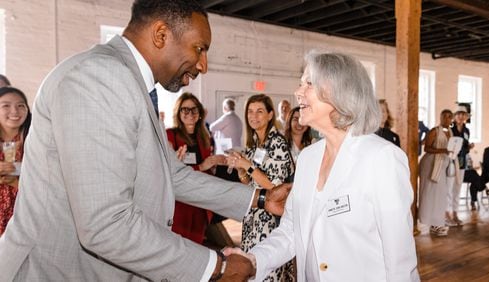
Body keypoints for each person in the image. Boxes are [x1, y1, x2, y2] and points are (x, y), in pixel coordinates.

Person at [0, 1, 291, 281]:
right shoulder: (100, 77)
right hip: (56, 271)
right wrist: (214, 268)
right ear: (161, 34)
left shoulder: (127, 81)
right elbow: (106, 224)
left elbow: (170, 174)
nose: (203, 65)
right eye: (199, 48)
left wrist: (261, 198)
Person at [225, 52, 419, 281]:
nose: (298, 92)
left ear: (340, 91)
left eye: (309, 83)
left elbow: (399, 261)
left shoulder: (381, 158)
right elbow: (291, 230)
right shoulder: (308, 158)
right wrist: (254, 260)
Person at [226, 94, 295, 281]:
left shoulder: (278, 143)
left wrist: (247, 165)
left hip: (271, 219)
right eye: (250, 111)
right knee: (253, 269)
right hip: (253, 216)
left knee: (268, 272)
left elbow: (275, 187)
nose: (253, 116)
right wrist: (240, 169)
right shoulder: (255, 143)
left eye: (259, 111)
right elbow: (250, 182)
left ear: (271, 115)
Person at [166, 92, 226, 244]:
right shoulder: (169, 135)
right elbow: (169, 171)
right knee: (177, 245)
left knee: (196, 244)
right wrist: (202, 165)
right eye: (185, 109)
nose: (190, 114)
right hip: (180, 204)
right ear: (178, 113)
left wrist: (214, 166)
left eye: (194, 110)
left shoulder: (205, 137)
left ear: (200, 113)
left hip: (200, 202)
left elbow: (208, 169)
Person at [0, 87, 31, 236]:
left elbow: (46, 185)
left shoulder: (35, 141)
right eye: (6, 105)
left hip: (24, 218)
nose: (14, 111)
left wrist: (14, 182)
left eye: (20, 105)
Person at [419, 109, 454, 236]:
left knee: (440, 194)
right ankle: (425, 221)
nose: (447, 119)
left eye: (449, 117)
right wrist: (443, 150)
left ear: (452, 120)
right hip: (430, 164)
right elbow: (426, 148)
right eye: (444, 116)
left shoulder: (450, 132)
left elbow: (450, 150)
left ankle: (437, 222)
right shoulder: (434, 131)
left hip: (442, 165)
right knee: (429, 192)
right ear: (440, 117)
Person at [447, 105, 473, 225]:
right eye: (459, 114)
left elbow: (465, 147)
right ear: (455, 116)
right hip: (451, 161)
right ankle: (447, 214)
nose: (461, 116)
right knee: (449, 188)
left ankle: (455, 213)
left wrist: (469, 147)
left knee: (457, 187)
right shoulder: (449, 129)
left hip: (462, 162)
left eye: (463, 114)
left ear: (466, 117)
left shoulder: (467, 131)